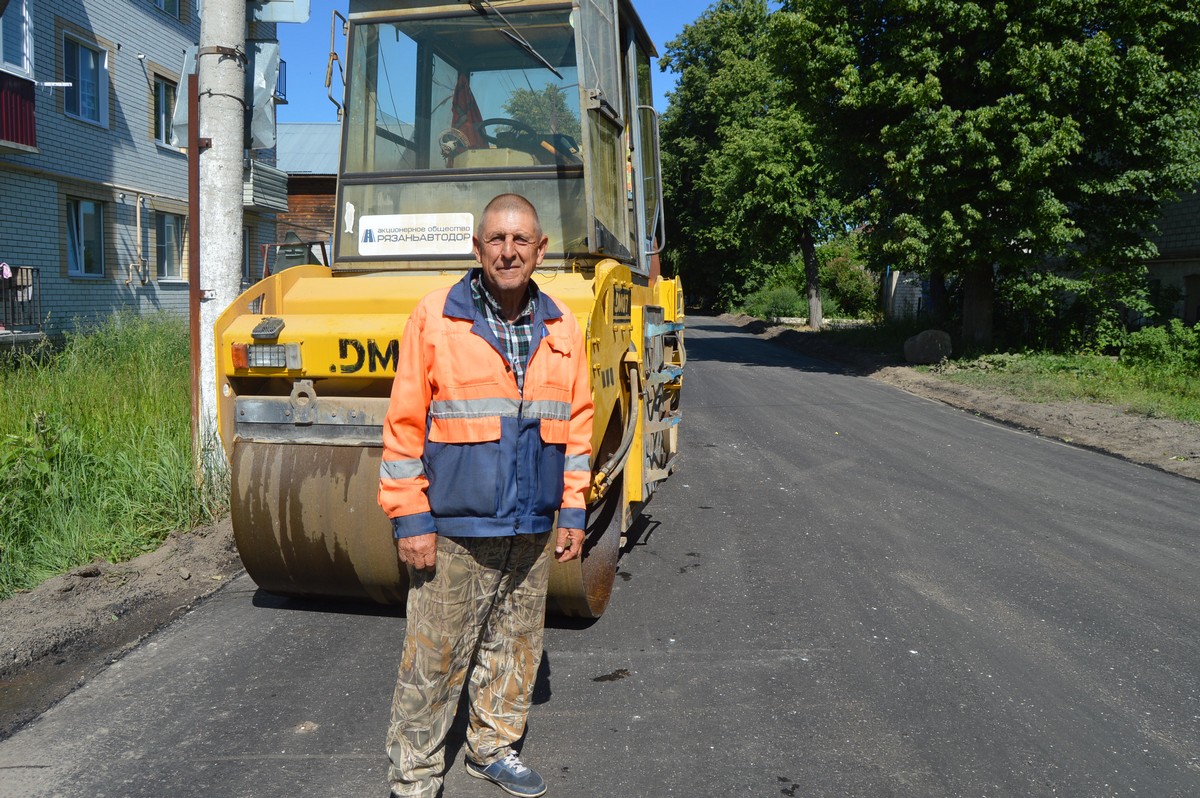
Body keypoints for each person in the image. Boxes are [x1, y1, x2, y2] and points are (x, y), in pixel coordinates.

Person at [378, 193, 594, 798]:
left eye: (520, 240)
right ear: (477, 249)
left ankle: (493, 748)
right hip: (452, 529)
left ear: (540, 250)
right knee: (434, 658)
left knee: (516, 645)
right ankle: (415, 775)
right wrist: (410, 517)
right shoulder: (435, 318)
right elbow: (403, 426)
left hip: (531, 523)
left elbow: (577, 427)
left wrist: (573, 509)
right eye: (496, 239)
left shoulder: (561, 326)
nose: (508, 251)